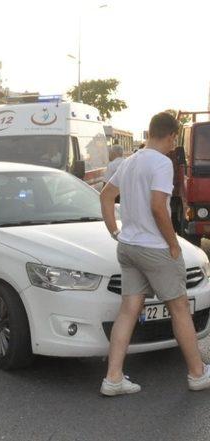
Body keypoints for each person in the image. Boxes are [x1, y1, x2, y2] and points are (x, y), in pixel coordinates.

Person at [99, 112, 210, 396]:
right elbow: (159, 207)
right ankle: (198, 373)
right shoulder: (161, 163)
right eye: (175, 138)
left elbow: (106, 196)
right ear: (172, 136)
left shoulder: (130, 161)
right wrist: (173, 243)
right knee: (180, 308)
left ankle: (113, 378)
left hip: (129, 246)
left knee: (127, 311)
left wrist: (115, 232)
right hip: (154, 249)